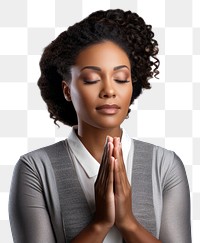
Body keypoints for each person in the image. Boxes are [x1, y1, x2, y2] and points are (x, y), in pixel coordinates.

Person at [9, 9, 192, 243]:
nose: (109, 90)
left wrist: (128, 224)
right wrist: (100, 223)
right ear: (67, 90)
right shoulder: (35, 168)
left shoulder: (164, 165)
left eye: (121, 79)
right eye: (91, 79)